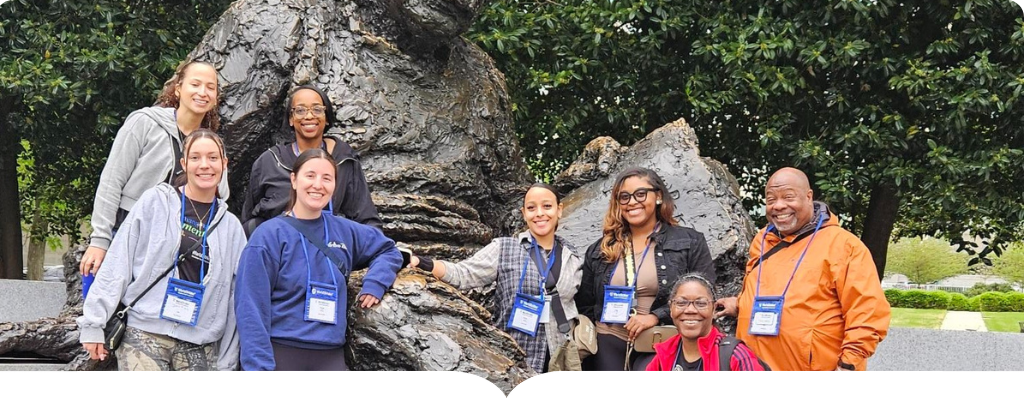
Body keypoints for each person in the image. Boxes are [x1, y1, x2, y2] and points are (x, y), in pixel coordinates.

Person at [77, 129, 246, 371]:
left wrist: (228, 360)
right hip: (146, 333)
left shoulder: (231, 227)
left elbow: (233, 296)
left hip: (199, 342)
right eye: (196, 157)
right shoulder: (155, 203)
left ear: (224, 163)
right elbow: (119, 261)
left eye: (213, 157)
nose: (204, 165)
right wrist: (93, 322)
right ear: (184, 164)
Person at [234, 148, 401, 371]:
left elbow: (388, 249)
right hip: (281, 354)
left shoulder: (345, 231)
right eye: (310, 176)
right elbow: (250, 306)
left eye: (327, 178)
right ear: (294, 180)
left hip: (330, 356)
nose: (318, 185)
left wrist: (376, 283)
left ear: (334, 185)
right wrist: (258, 369)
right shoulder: (269, 235)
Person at [715, 167, 891, 371]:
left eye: (788, 197)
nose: (778, 206)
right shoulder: (762, 240)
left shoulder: (843, 246)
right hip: (753, 366)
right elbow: (776, 295)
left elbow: (867, 311)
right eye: (771, 199)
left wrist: (849, 364)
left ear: (809, 197)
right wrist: (740, 304)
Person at [407, 183, 584, 373]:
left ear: (559, 210)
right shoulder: (504, 248)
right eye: (532, 208)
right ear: (524, 213)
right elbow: (463, 274)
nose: (539, 213)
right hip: (516, 358)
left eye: (547, 206)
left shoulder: (573, 257)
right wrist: (422, 262)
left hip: (560, 361)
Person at [80, 60, 230, 279]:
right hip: (128, 232)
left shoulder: (210, 143)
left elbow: (221, 196)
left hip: (177, 246)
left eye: (210, 87)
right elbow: (112, 180)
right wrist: (100, 240)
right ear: (178, 89)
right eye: (195, 84)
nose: (202, 92)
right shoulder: (144, 122)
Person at [576, 167, 716, 371]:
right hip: (608, 341)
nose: (632, 202)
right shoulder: (600, 249)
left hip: (660, 341)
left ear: (658, 196)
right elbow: (586, 304)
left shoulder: (689, 241)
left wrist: (655, 316)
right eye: (624, 197)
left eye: (640, 194)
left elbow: (705, 297)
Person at [241, 85, 381, 237]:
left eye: (317, 109)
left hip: (328, 250)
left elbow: (367, 220)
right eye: (300, 110)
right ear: (290, 119)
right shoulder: (269, 161)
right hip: (278, 249)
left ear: (327, 117)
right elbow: (249, 218)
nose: (309, 116)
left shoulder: (344, 160)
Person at [645, 275, 767, 371]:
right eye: (681, 303)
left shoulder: (737, 356)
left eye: (701, 303)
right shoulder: (664, 354)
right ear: (671, 309)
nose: (690, 310)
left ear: (714, 309)